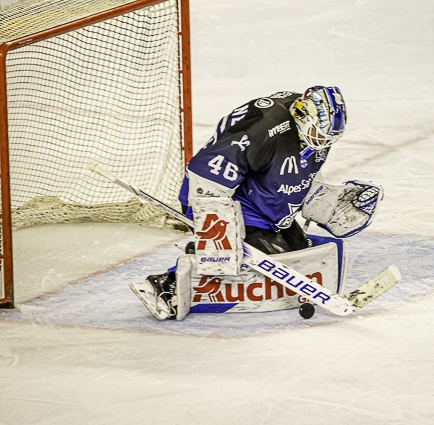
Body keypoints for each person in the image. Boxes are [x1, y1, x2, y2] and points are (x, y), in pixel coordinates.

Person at [141, 86, 349, 318]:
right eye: (319, 135)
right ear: (300, 115)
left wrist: (325, 201)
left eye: (329, 138)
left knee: (300, 257)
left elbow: (296, 167)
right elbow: (206, 172)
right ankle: (168, 283)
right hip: (223, 200)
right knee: (247, 263)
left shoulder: (312, 126)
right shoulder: (262, 130)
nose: (321, 142)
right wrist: (217, 228)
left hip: (263, 203)